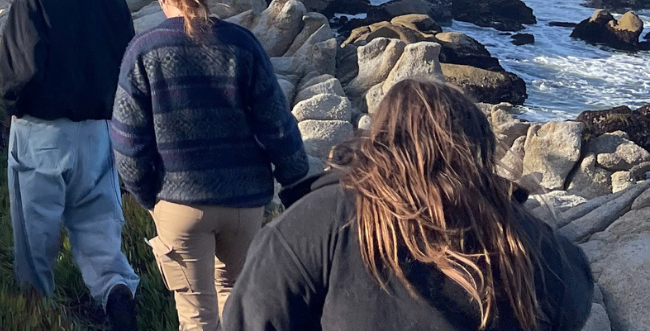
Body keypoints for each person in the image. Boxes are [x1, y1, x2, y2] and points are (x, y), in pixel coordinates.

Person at [222, 79, 595, 331]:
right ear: (478, 149)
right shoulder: (539, 245)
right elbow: (576, 299)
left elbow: (251, 318)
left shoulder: (320, 222)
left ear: (379, 138)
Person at [111, 0, 308, 331]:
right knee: (242, 312)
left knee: (197, 321)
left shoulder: (143, 51)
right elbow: (276, 125)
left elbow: (128, 142)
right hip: (244, 201)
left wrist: (149, 196)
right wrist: (296, 179)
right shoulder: (242, 45)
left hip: (179, 203)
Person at [0, 0, 139, 331]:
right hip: (99, 132)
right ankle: (118, 300)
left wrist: (13, 105)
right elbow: (127, 64)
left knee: (35, 244)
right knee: (100, 237)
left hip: (41, 133)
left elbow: (19, 74)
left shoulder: (31, 0)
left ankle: (38, 313)